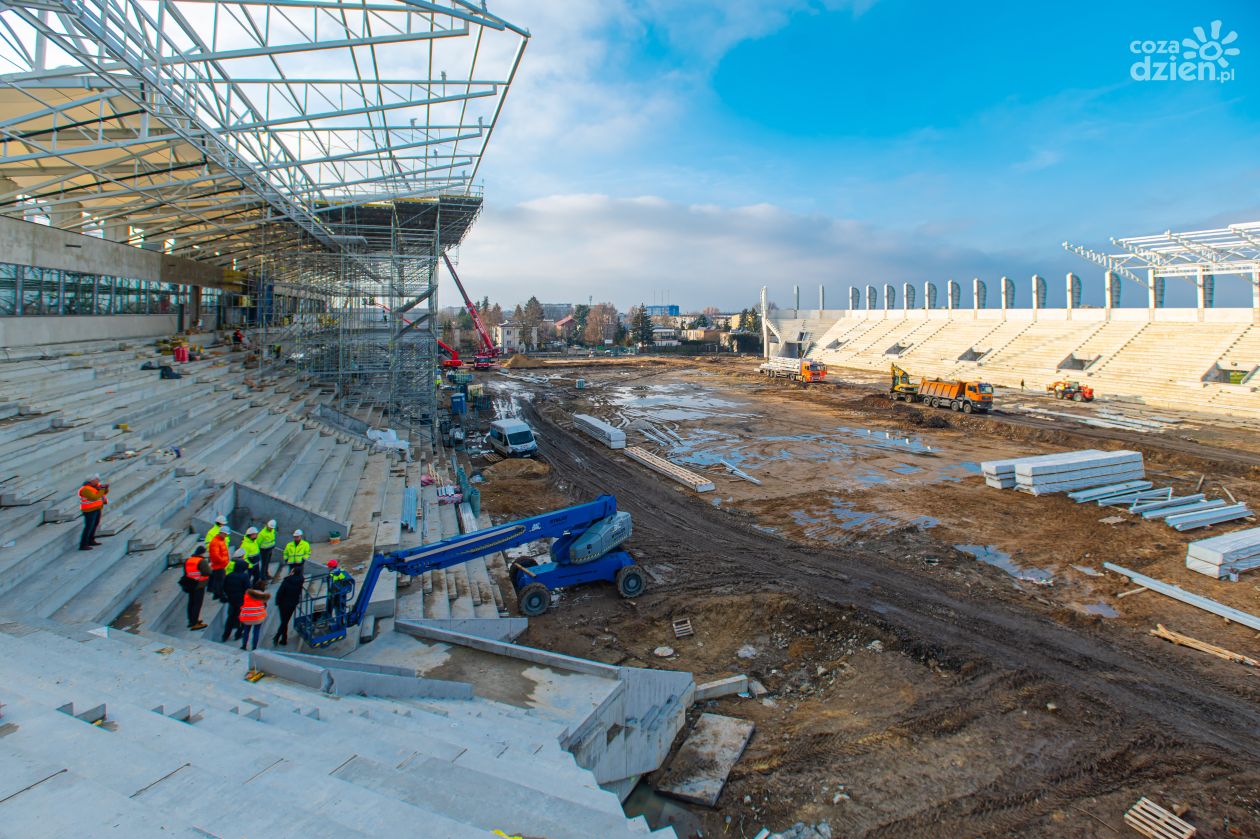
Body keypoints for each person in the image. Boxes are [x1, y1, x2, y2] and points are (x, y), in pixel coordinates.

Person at [180, 545, 211, 630]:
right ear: (202, 553)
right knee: (197, 604)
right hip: (199, 585)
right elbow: (207, 572)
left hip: (190, 584)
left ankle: (191, 620)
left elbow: (186, 572)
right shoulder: (202, 561)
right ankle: (195, 623)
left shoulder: (188, 560)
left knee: (191, 603)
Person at [273, 565, 304, 647]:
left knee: (284, 621)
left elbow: (280, 592)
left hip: (283, 604)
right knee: (285, 621)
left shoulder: (287, 581)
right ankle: (283, 639)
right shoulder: (300, 581)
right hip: (292, 603)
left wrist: (277, 601)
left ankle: (277, 636)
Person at [221, 561, 252, 643]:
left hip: (231, 600)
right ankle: (238, 634)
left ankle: (225, 635)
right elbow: (248, 589)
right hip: (241, 601)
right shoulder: (244, 576)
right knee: (242, 618)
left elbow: (224, 587)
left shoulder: (229, 575)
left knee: (230, 618)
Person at [78, 475, 109, 551]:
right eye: (97, 480)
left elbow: (104, 493)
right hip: (89, 510)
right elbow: (95, 497)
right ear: (91, 481)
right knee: (88, 527)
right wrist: (102, 489)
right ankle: (83, 544)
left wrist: (105, 488)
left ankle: (91, 540)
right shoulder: (85, 489)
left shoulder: (96, 486)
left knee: (95, 525)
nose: (98, 481)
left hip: (97, 508)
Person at [239, 581, 270, 651]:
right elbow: (265, 606)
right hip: (258, 617)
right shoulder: (264, 596)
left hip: (247, 616)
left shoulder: (247, 594)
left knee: (246, 630)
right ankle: (254, 647)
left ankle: (244, 645)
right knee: (256, 631)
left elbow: (244, 602)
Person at [207, 526, 231, 602]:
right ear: (221, 533)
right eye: (225, 534)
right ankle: (220, 596)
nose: (226, 536)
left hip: (220, 565)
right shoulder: (216, 542)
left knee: (219, 580)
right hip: (219, 565)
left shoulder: (220, 540)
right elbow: (215, 556)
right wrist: (224, 560)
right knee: (220, 581)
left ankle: (217, 594)